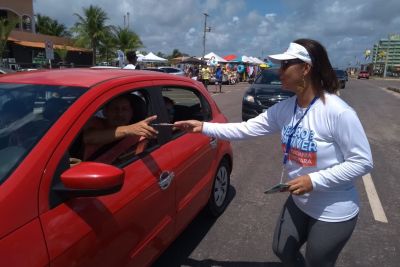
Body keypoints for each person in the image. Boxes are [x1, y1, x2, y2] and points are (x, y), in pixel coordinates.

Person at [174, 39, 373, 267]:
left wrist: (314, 180)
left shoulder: (338, 112)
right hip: (300, 200)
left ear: (306, 68)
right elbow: (246, 128)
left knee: (317, 262)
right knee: (282, 250)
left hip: (333, 209)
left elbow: (362, 161)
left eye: (286, 65)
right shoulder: (287, 108)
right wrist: (203, 127)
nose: (280, 71)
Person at [83, 94, 157, 162]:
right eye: (115, 109)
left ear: (131, 113)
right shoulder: (95, 122)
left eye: (124, 109)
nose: (120, 114)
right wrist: (129, 130)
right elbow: (88, 137)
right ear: (105, 112)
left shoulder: (139, 134)